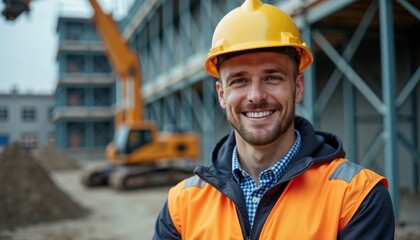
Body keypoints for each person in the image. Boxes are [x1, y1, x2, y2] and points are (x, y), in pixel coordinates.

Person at [153, 0, 395, 239]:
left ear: (298, 87)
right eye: (239, 80)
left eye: (272, 78)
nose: (256, 96)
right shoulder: (181, 206)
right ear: (221, 94)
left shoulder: (357, 197)